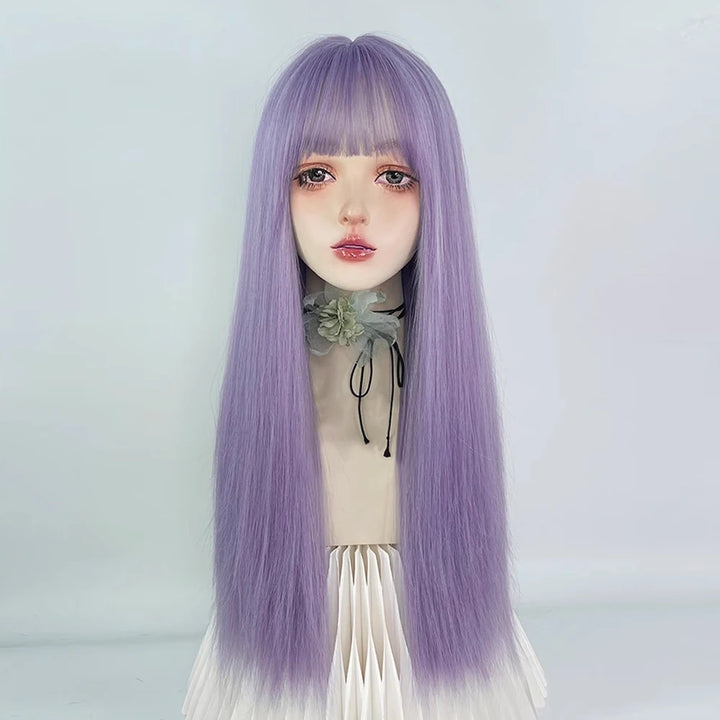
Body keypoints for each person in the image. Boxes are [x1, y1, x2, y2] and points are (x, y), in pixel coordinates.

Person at [182, 33, 548, 719]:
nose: (354, 210)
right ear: (277, 190)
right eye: (316, 174)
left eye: (393, 176)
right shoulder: (271, 356)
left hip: (423, 609)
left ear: (435, 191)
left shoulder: (444, 354)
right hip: (297, 611)